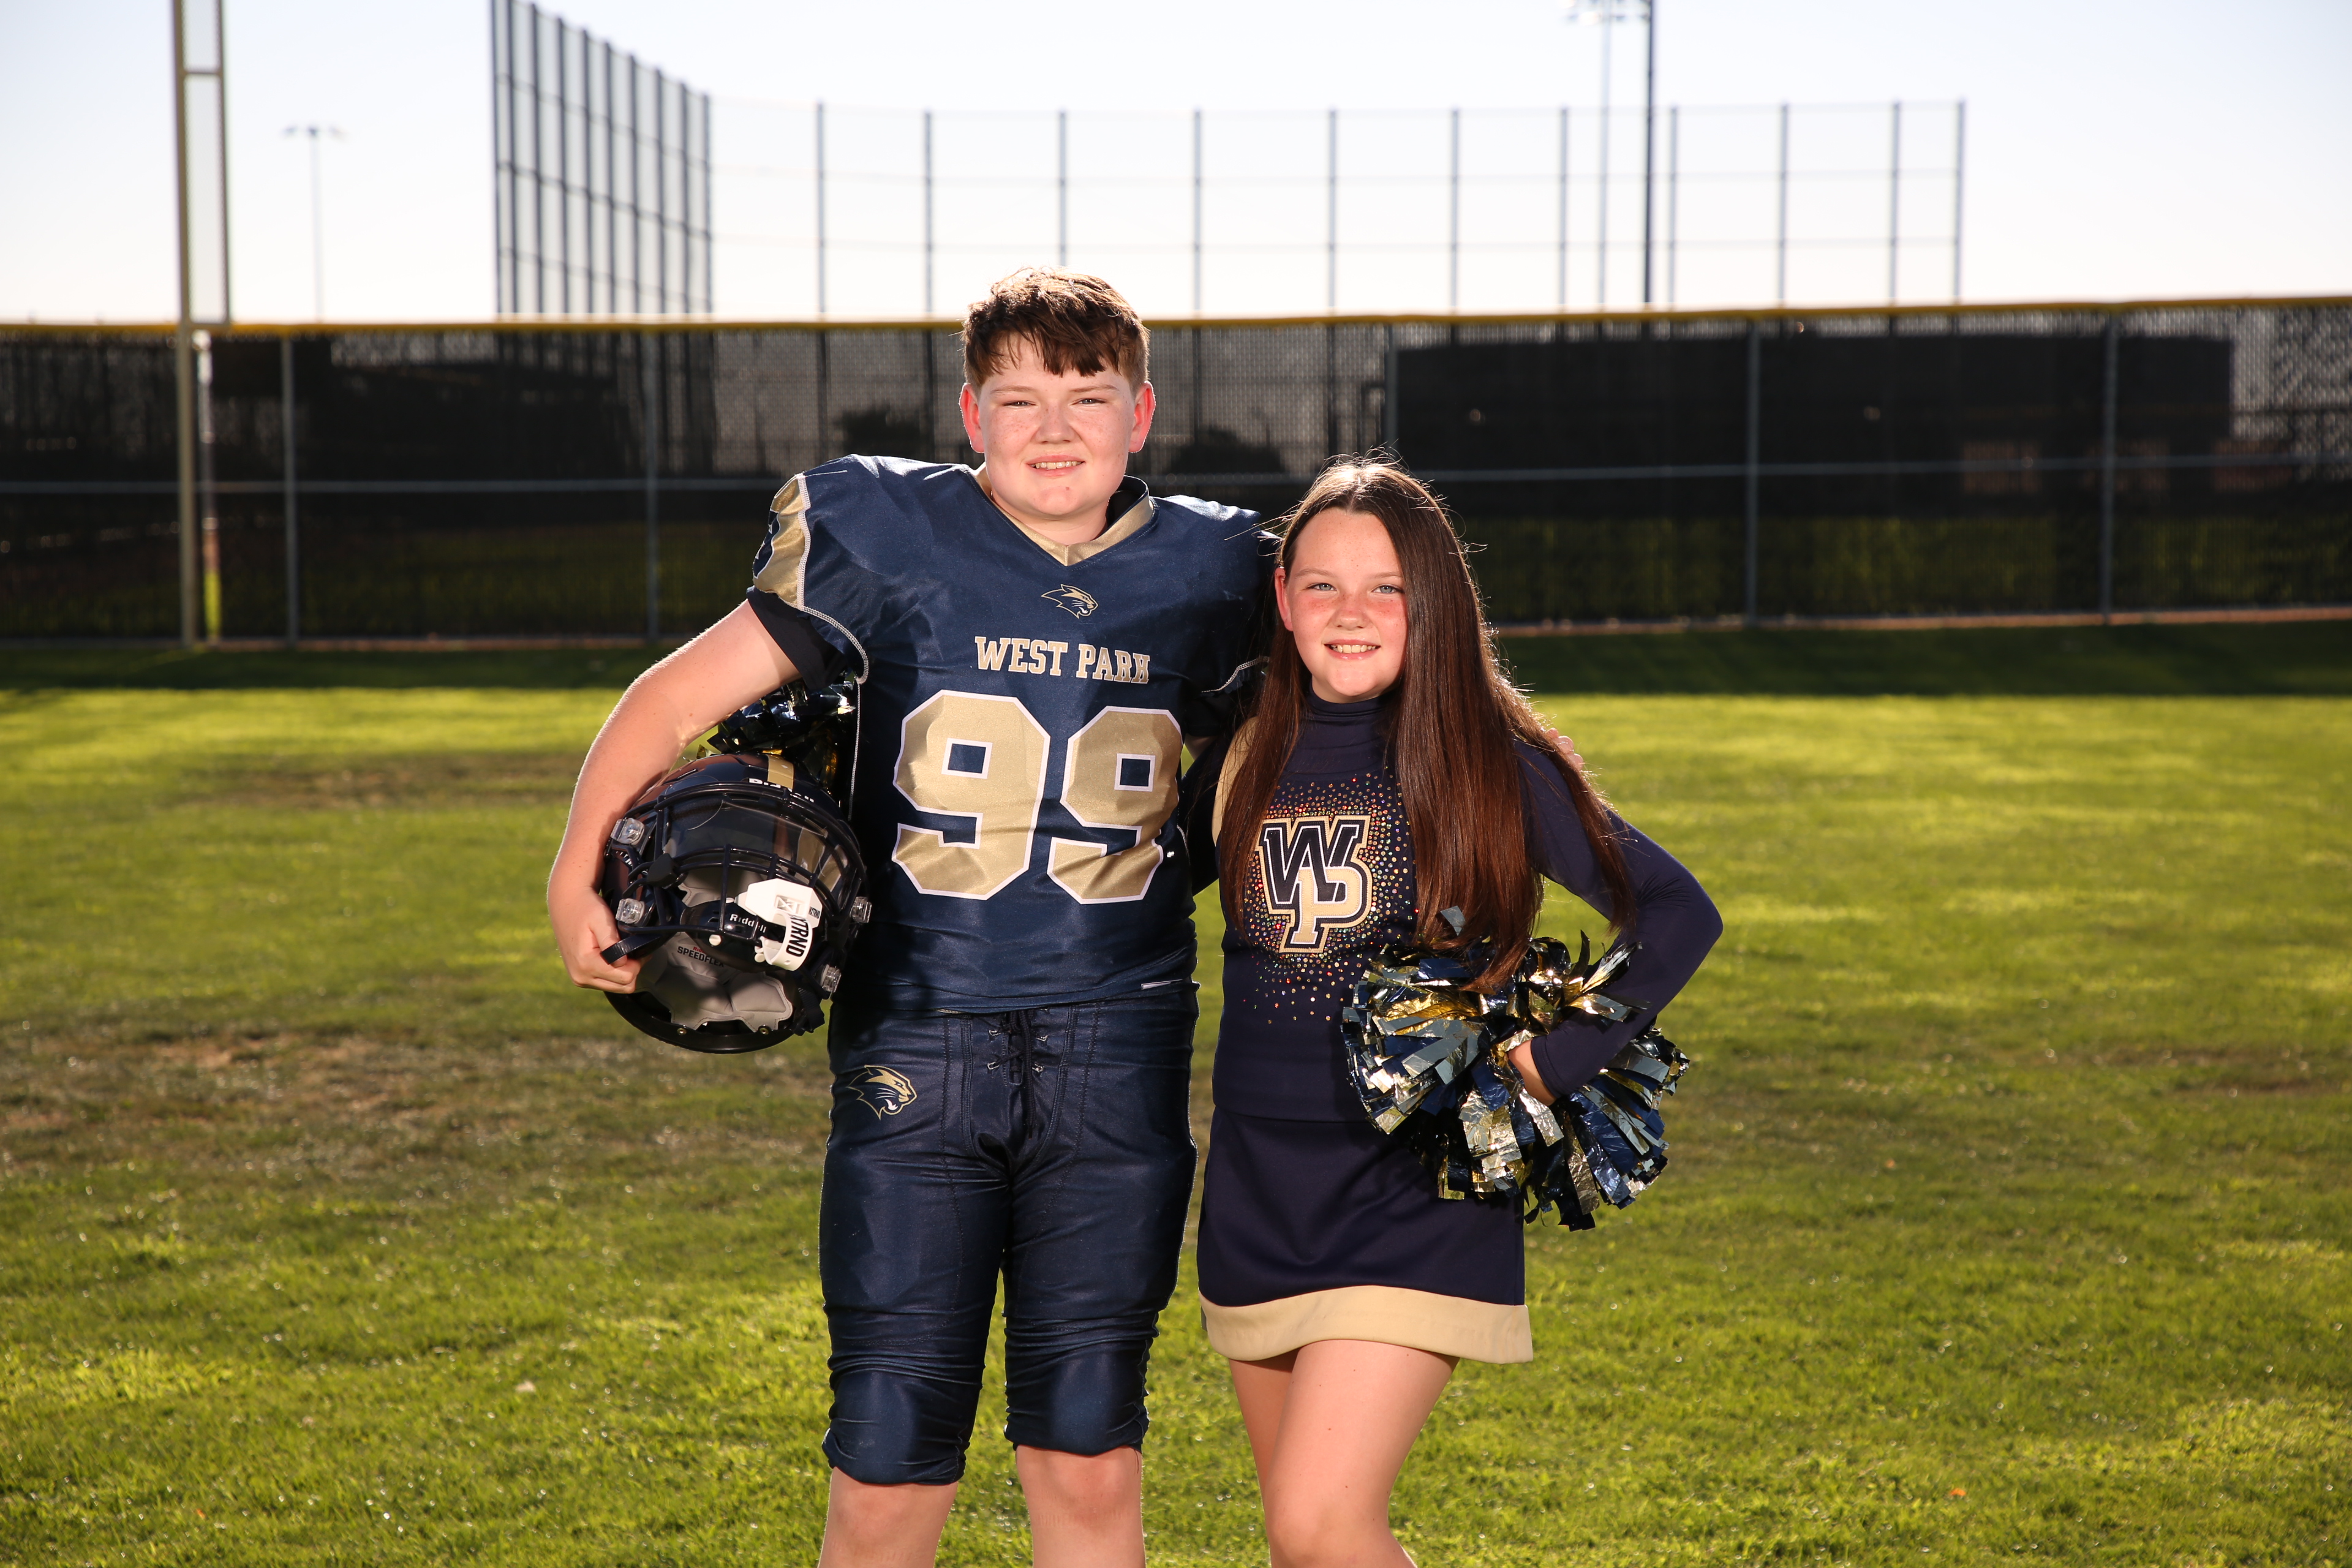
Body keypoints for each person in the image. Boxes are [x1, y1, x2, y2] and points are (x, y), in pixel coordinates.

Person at [546, 269, 1268, 1568]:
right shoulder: (886, 531)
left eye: (1089, 397)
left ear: (1143, 413)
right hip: (917, 1039)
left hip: (1120, 1043)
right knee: (886, 1457)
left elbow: (1344, 735)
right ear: (971, 414)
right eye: (1021, 399)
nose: (1056, 428)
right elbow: (672, 700)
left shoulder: (1222, 567)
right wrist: (573, 868)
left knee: (1090, 1451)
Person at [1180, 458, 1722, 1568]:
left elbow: (1677, 911)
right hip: (1257, 1187)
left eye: (1387, 588)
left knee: (1319, 1524)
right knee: (1308, 1546)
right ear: (1283, 600)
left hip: (1411, 1191)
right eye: (1323, 586)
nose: (1352, 613)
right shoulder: (1245, 752)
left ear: (1434, 603)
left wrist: (1553, 1064)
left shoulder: (1486, 762)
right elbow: (1121, 889)